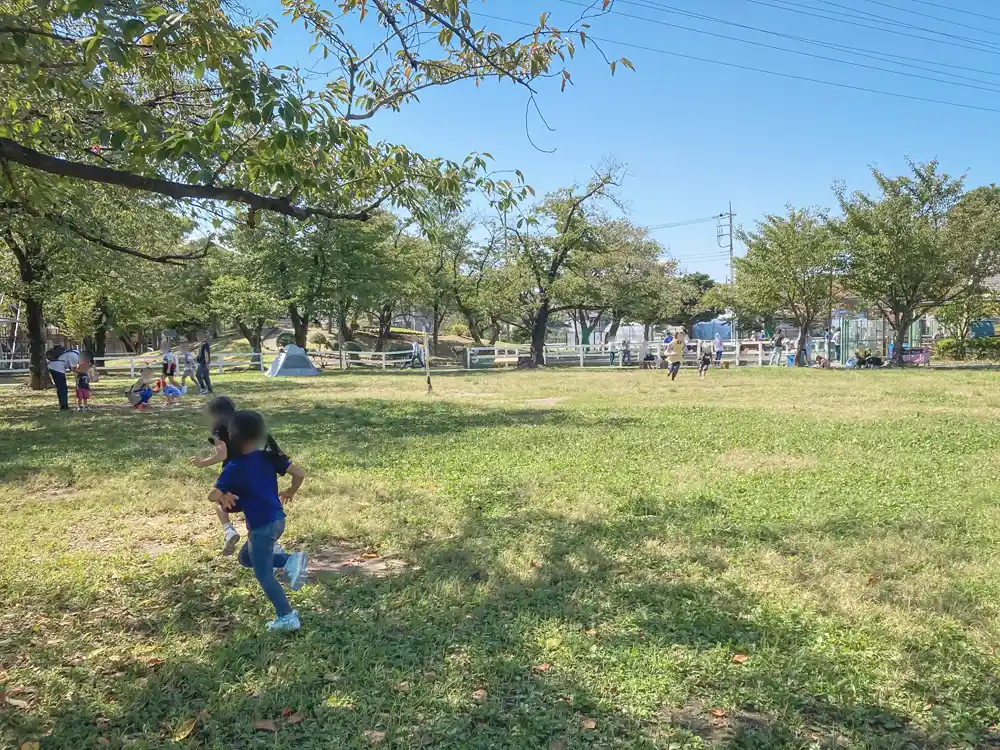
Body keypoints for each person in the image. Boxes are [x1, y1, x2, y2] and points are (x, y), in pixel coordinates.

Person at [209, 410, 308, 632]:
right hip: (277, 521)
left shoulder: (235, 466)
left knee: (263, 574)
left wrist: (222, 495)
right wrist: (291, 491)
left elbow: (211, 496)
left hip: (262, 527)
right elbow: (299, 473)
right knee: (245, 558)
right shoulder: (269, 457)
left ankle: (287, 616)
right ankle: (288, 561)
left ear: (232, 435)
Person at [190, 396, 243, 555]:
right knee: (250, 500)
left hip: (232, 471)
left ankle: (228, 530)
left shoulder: (218, 430)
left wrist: (202, 463)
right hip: (253, 467)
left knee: (219, 502)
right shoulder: (244, 423)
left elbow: (222, 454)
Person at [46, 345, 80, 411]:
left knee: (60, 388)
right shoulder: (75, 357)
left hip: (53, 367)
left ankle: (63, 405)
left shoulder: (73, 353)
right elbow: (74, 369)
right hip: (57, 368)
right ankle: (64, 406)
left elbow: (71, 367)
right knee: (62, 388)